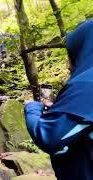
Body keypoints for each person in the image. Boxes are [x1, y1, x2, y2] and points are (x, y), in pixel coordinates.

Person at [24, 20, 93, 180]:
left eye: (71, 55)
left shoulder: (86, 85)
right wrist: (62, 111)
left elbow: (48, 135)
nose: (68, 65)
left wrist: (32, 108)